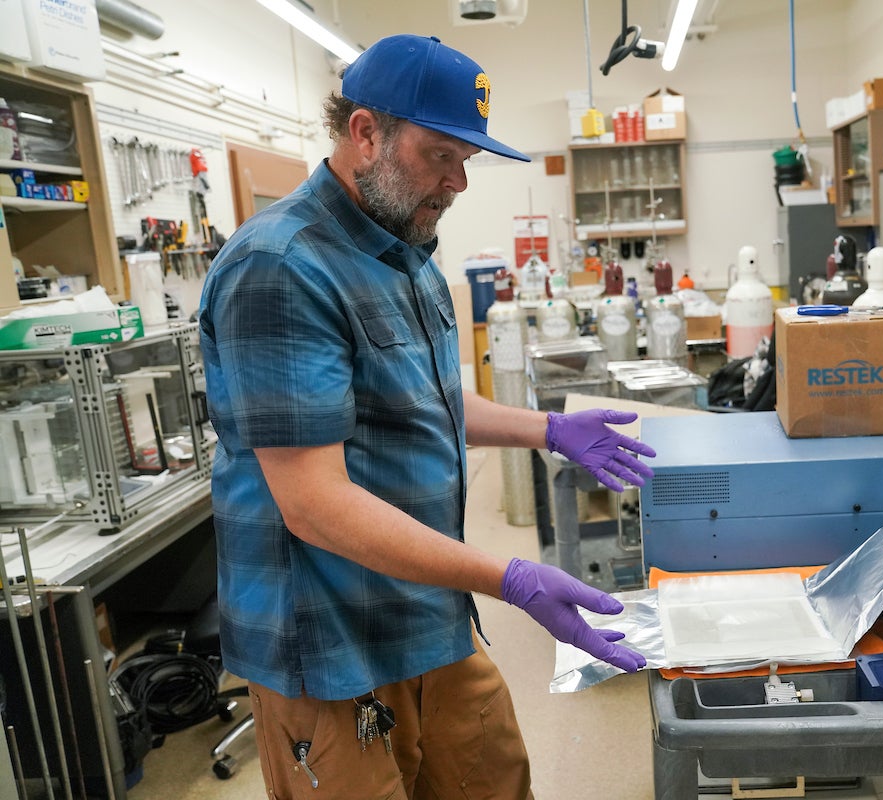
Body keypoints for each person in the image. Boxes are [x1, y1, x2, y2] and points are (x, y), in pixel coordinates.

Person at [197, 33, 655, 800]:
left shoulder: (406, 249)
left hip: (426, 613)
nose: (459, 182)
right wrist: (511, 578)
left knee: (495, 780)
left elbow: (427, 403)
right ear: (365, 132)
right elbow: (315, 505)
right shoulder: (279, 268)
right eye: (441, 154)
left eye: (467, 160)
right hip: (331, 640)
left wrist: (545, 431)